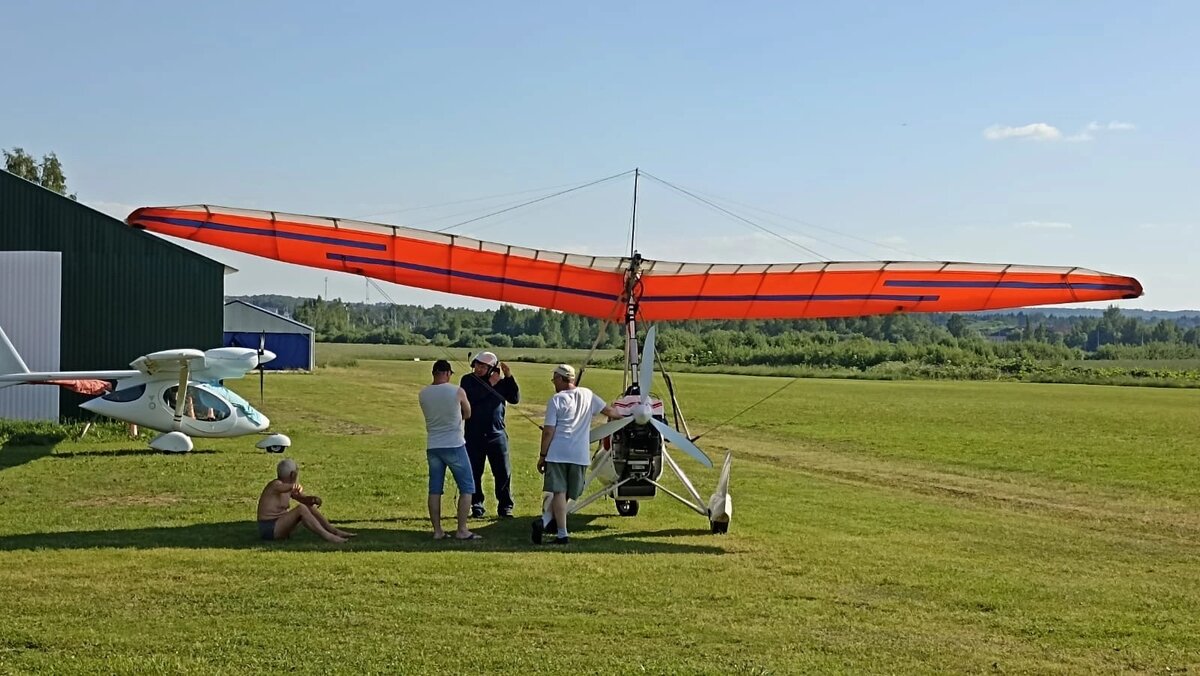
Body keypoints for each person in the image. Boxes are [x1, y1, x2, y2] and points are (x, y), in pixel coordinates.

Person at [532, 363, 621, 545]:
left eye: (554, 379)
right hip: (579, 456)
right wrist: (632, 414)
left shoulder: (556, 400)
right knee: (570, 492)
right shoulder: (588, 395)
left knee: (560, 492)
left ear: (560, 379)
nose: (553, 383)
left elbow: (548, 431)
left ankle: (548, 523)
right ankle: (559, 531)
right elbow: (611, 412)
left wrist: (542, 455)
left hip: (557, 453)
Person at [418, 359, 481, 540]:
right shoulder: (457, 391)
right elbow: (468, 413)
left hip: (433, 445)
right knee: (467, 487)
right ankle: (462, 530)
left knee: (435, 489)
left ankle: (437, 531)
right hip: (454, 444)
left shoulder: (423, 394)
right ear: (447, 373)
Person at [460, 351, 520, 518]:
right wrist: (491, 386)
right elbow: (472, 399)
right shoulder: (468, 380)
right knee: (474, 471)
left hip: (497, 434)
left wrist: (508, 377)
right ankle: (476, 505)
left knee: (502, 472)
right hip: (474, 434)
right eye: (477, 365)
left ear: (492, 368)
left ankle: (505, 506)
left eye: (483, 366)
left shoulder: (500, 382)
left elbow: (514, 398)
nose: (479, 369)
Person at [256, 458, 355, 543]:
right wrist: (294, 485)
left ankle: (334, 531)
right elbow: (282, 487)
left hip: (280, 526)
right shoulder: (276, 485)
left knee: (306, 507)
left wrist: (313, 499)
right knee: (301, 509)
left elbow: (304, 500)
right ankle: (328, 536)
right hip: (269, 529)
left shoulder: (288, 488)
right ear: (293, 474)